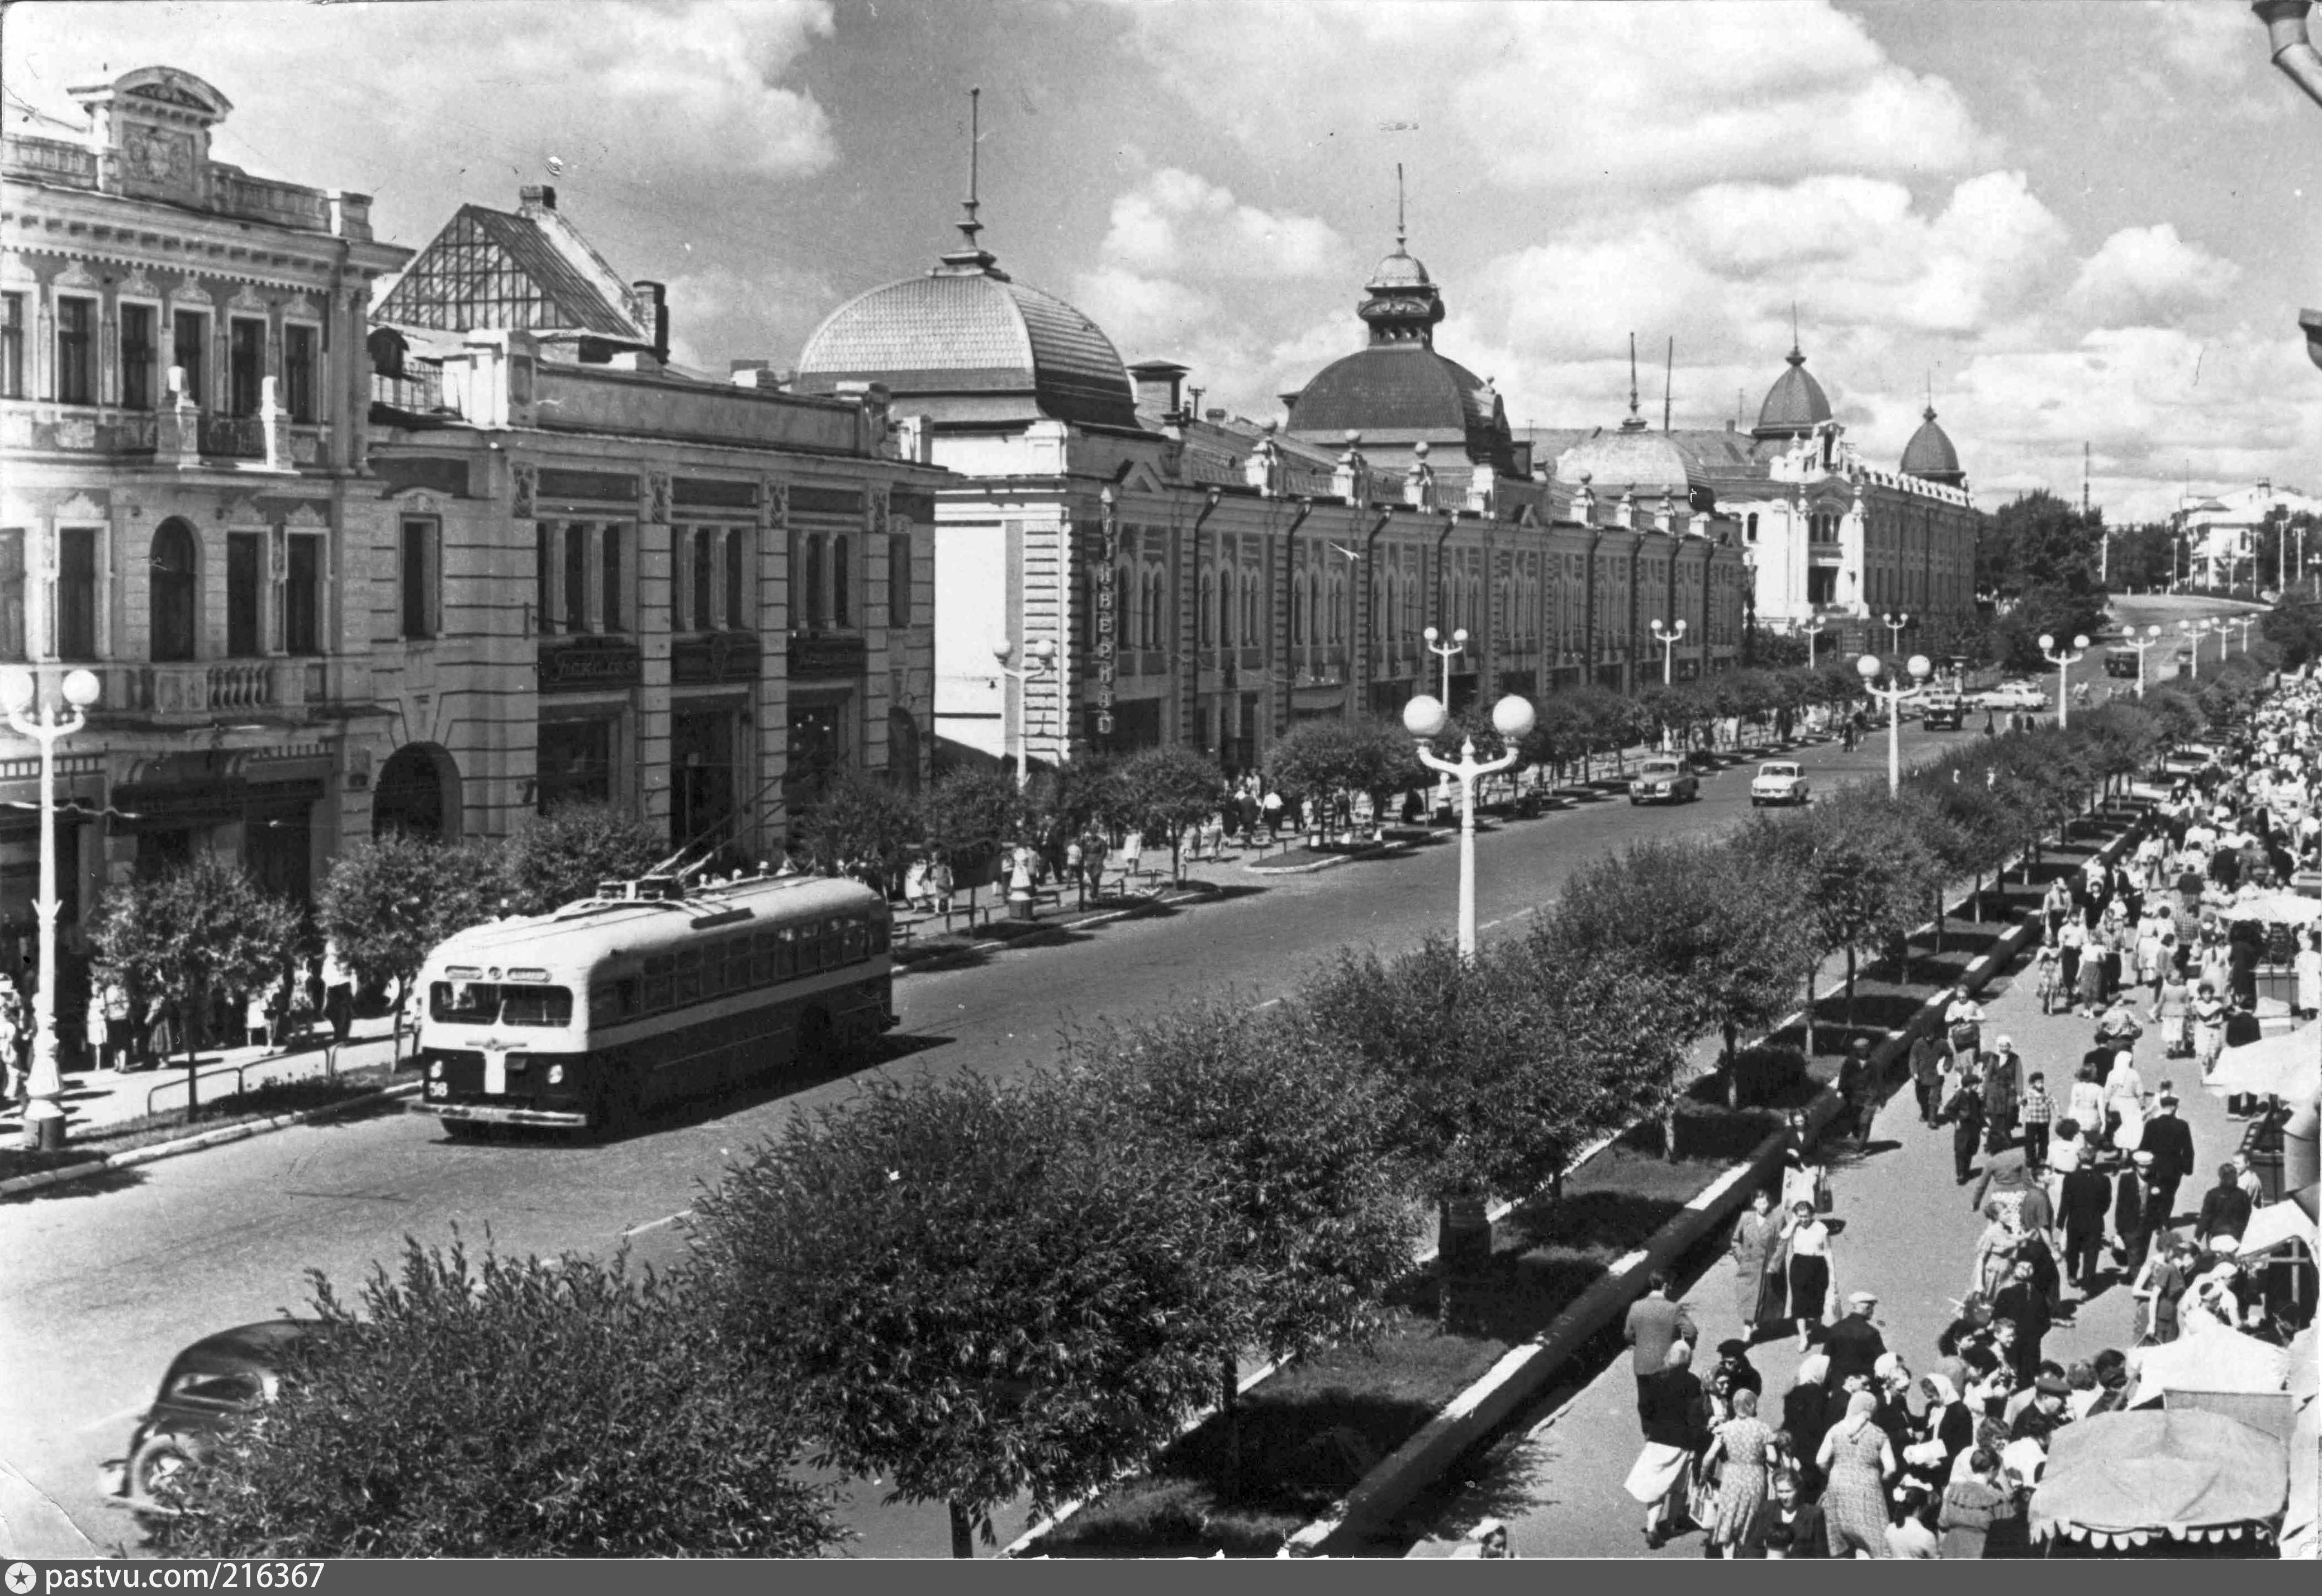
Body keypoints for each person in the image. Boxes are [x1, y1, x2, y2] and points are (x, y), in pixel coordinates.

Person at [1626, 1341, 1708, 1550]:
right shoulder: (1692, 1383)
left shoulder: (1656, 1378)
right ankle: (1671, 1525)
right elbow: (1695, 1415)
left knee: (1657, 1486)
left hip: (1658, 1438)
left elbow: (1645, 1407)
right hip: (1683, 1442)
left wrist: (1648, 1427)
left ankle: (1652, 1526)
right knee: (1679, 1487)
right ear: (1688, 1360)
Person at [1814, 1389, 1896, 1559]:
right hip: (1868, 1487)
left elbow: (1820, 1460)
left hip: (1839, 1484)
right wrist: (1880, 1479)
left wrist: (1833, 1473)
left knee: (1841, 1541)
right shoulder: (1879, 1434)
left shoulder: (1835, 1430)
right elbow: (1891, 1468)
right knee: (1873, 1540)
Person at [1700, 1386, 1774, 1557]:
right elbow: (1772, 1457)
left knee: (1730, 1518)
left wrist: (1704, 1477)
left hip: (1732, 1476)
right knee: (1750, 1519)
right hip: (1755, 1477)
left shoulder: (1726, 1428)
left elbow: (1709, 1457)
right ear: (1753, 1405)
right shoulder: (1763, 1429)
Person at [1623, 1270, 1698, 1419]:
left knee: (1645, 1402)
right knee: (1668, 1403)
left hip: (1642, 1364)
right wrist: (1684, 1346)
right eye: (1670, 1286)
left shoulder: (1636, 1306)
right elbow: (1691, 1332)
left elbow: (1628, 1334)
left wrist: (1641, 1343)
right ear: (1665, 1286)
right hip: (1666, 1365)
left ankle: (1649, 1432)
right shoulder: (1674, 1309)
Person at [1727, 1189, 1785, 1344]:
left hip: (1768, 1266)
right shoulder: (1746, 1217)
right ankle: (1747, 1331)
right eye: (1759, 1202)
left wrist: (1774, 1264)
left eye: (1765, 1202)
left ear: (1770, 1203)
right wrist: (1742, 1258)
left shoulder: (1777, 1218)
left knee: (1769, 1297)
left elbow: (1782, 1242)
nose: (1762, 1206)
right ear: (1753, 1204)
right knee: (1749, 1298)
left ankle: (1769, 1325)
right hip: (1750, 1267)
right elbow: (1735, 1241)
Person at [1736, 1469, 1826, 1559]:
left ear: (1798, 1489)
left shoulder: (1813, 1514)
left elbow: (1821, 1553)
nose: (1784, 1497)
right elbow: (1752, 1546)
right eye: (1780, 1492)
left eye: (1788, 1491)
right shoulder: (1766, 1509)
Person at [1937, 1448, 2010, 1559]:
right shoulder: (1997, 1497)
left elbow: (1943, 1525)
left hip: (1951, 1551)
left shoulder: (1952, 1490)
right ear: (1991, 1470)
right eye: (1997, 1471)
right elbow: (2007, 1534)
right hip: (1979, 1553)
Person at [1780, 1200, 1834, 1351]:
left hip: (1818, 1266)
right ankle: (1804, 1338)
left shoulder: (1821, 1228)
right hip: (1799, 1265)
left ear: (1812, 1214)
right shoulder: (1794, 1226)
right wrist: (1793, 1222)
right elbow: (1783, 1236)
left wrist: (1832, 1273)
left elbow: (1828, 1251)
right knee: (1799, 1303)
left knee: (1818, 1301)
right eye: (1800, 1216)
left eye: (1806, 1216)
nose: (1804, 1220)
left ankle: (1817, 1331)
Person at [2140, 1091, 2195, 1233]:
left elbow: (2144, 1147)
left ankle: (2152, 1222)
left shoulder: (2151, 1125)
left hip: (2155, 1167)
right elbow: (2188, 1150)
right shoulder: (2182, 1125)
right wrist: (2187, 1168)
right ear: (2173, 1108)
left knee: (2154, 1193)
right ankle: (2164, 1221)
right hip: (2174, 1168)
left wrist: (2142, 1165)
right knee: (2169, 1195)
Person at [1992, 1258, 2053, 1383]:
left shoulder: (2005, 1294)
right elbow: (2047, 1323)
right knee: (2029, 1380)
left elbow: (1996, 1319)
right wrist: (2036, 1335)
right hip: (2033, 1346)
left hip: (2010, 1344)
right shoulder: (2039, 1296)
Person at [2059, 1151, 2111, 1295]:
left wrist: (2060, 1222)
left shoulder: (2070, 1178)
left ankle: (2072, 1275)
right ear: (2094, 1160)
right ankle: (2088, 1282)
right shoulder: (2103, 1179)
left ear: (2079, 1160)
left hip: (2075, 1221)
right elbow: (2107, 1203)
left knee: (2073, 1250)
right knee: (2091, 1253)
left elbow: (2065, 1202)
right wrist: (2098, 1213)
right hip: (2094, 1221)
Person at [2131, 1236, 2195, 1345]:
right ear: (2165, 1248)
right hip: (2148, 1309)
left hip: (2166, 1312)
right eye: (2171, 1249)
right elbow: (2136, 1291)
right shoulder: (2152, 1263)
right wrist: (2158, 1295)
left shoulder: (2175, 1265)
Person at [1821, 1290, 1887, 1390]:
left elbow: (1826, 1357)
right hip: (1864, 1384)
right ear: (1869, 1309)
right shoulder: (1871, 1332)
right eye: (1872, 1308)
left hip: (1839, 1384)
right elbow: (1882, 1361)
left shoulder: (1835, 1328)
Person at [2195, 1160, 2253, 1242]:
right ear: (2236, 1177)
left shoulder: (2212, 1194)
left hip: (2216, 1234)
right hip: (2236, 1235)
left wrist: (2198, 1236)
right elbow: (2249, 1217)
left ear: (2220, 1177)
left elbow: (2205, 1217)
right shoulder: (2243, 1195)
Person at [2019, 1071, 2055, 1169]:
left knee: (2044, 1140)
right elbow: (2023, 1103)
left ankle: (2042, 1157)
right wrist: (2020, 1115)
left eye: (2042, 1082)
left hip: (2044, 1121)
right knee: (2030, 1140)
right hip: (2031, 1121)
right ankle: (2030, 1158)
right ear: (2033, 1083)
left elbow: (2054, 1103)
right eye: (2038, 1082)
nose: (2041, 1084)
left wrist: (2058, 1113)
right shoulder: (2029, 1092)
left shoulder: (2047, 1092)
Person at [1909, 1029, 1945, 1126]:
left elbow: (1949, 1055)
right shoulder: (1918, 1044)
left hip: (1936, 1074)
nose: (1929, 1037)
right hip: (1921, 1076)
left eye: (1931, 1034)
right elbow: (1913, 1059)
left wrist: (1947, 1065)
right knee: (1922, 1098)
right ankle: (1925, 1113)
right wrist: (1915, 1072)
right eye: (1927, 1035)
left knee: (1934, 1097)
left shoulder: (1941, 1043)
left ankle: (1932, 1119)